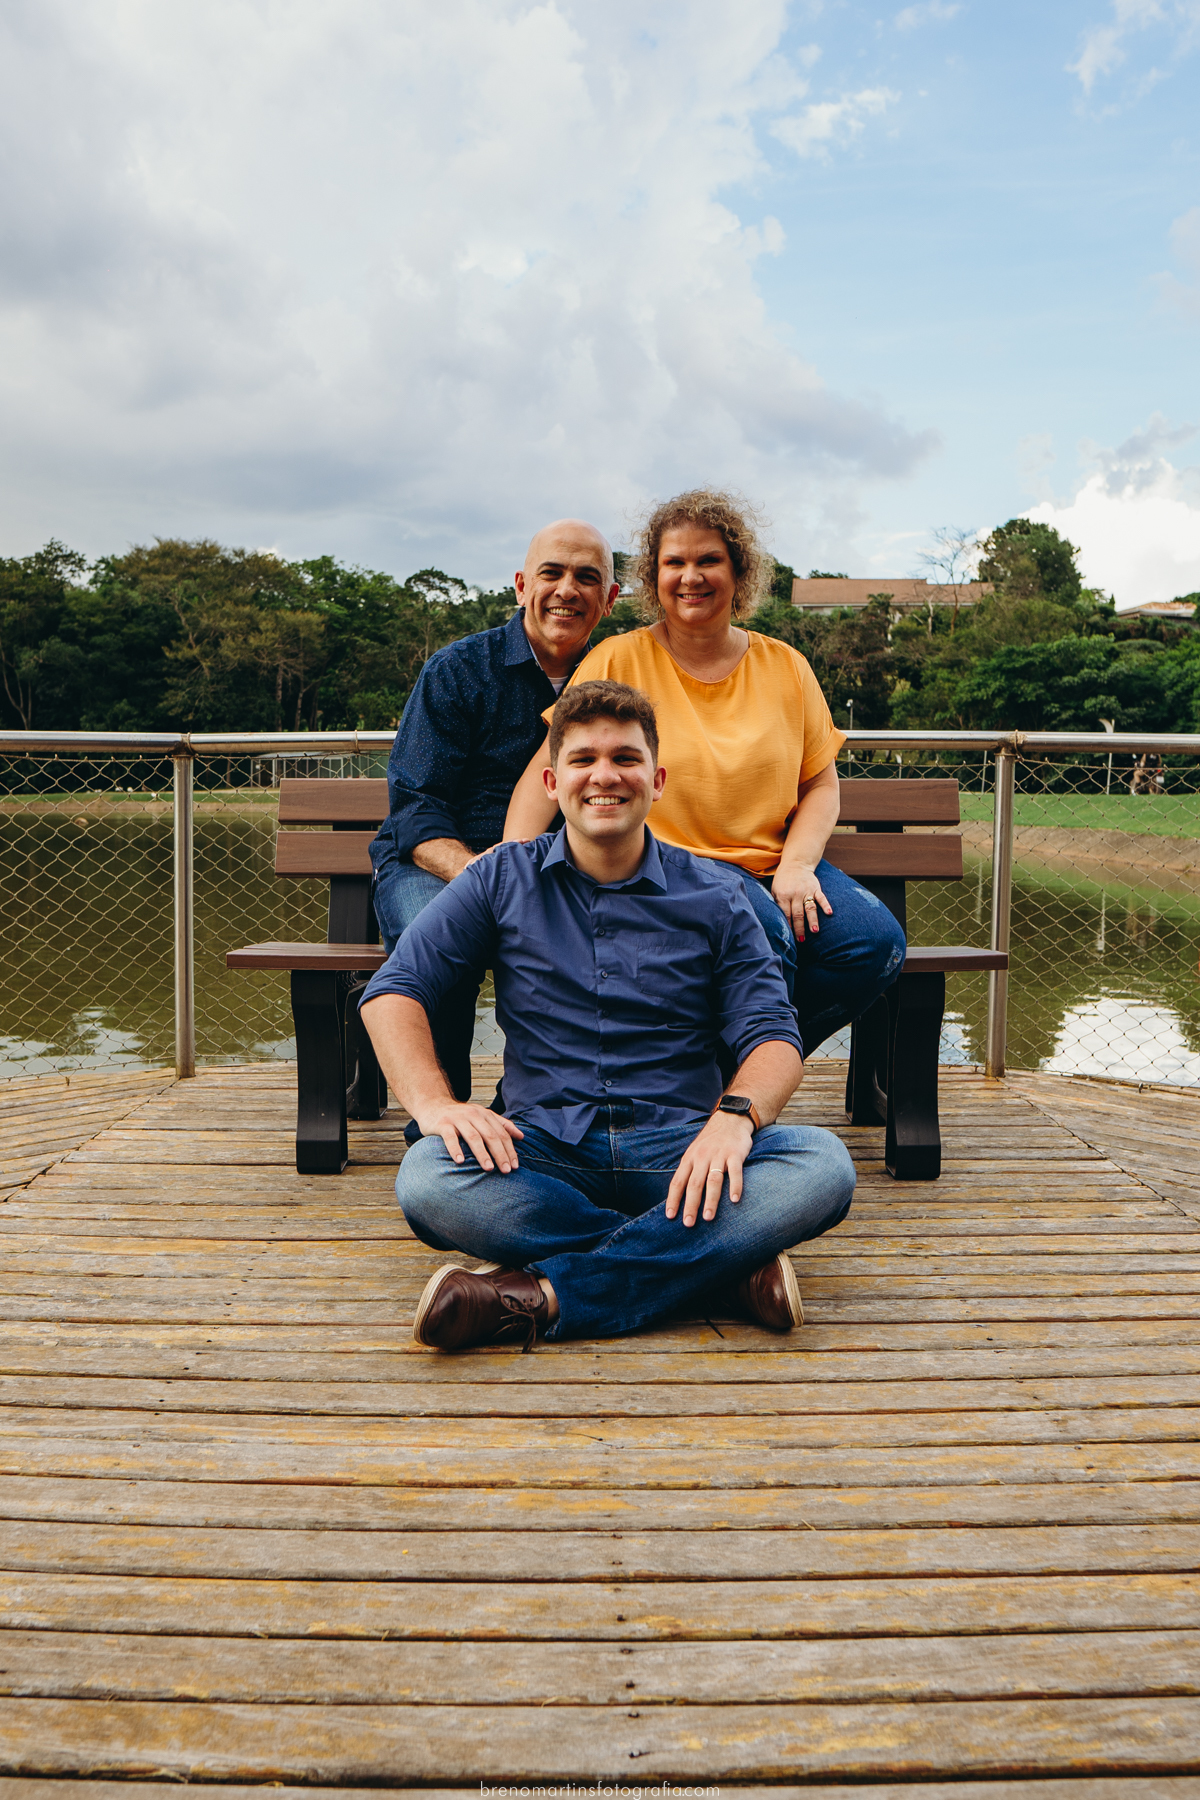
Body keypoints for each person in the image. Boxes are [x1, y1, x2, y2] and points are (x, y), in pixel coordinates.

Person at [359, 680, 855, 1351]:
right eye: (585, 758)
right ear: (552, 779)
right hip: (545, 1149)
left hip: (683, 1152)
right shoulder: (499, 878)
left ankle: (540, 1295)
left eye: (624, 759)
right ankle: (717, 1267)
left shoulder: (719, 894)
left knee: (822, 1164)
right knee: (428, 1175)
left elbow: (773, 1036)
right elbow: (397, 990)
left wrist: (734, 1121)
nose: (604, 776)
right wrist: (434, 1104)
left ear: (657, 780)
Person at [503, 489, 906, 1057]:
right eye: (675, 563)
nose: (691, 577)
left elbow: (819, 784)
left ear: (739, 572)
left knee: (873, 944)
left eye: (708, 560)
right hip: (666, 872)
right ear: (654, 576)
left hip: (771, 867)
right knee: (763, 934)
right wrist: (512, 875)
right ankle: (721, 1096)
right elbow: (547, 770)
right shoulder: (619, 660)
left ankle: (722, 1079)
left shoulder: (786, 665)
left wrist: (796, 864)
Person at [369, 519, 618, 1102]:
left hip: (561, 867)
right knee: (434, 935)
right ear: (520, 585)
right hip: (438, 861)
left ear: (608, 599)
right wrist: (480, 873)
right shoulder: (458, 670)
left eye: (587, 577)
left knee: (608, 943)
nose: (566, 590)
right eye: (551, 573)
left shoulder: (618, 674)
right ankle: (442, 1119)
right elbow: (416, 806)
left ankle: (533, 1108)